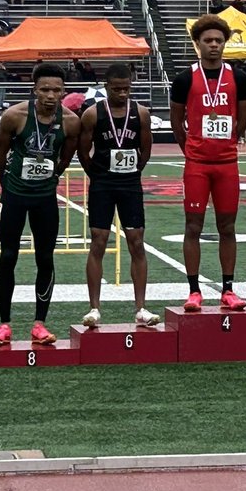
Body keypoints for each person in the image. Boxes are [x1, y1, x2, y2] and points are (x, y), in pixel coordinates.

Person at [0, 63, 82, 347]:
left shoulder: (70, 121)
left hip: (45, 198)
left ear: (64, 92)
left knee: (45, 258)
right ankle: (4, 323)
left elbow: (66, 157)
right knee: (8, 256)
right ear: (34, 90)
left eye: (57, 90)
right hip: (14, 195)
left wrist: (52, 178)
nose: (51, 95)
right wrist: (7, 186)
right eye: (45, 90)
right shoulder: (14, 116)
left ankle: (40, 323)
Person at [170, 14, 246, 312]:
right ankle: (194, 291)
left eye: (219, 40)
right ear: (198, 44)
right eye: (208, 41)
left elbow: (243, 118)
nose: (214, 45)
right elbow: (176, 121)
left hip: (227, 164)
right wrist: (190, 149)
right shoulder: (184, 79)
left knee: (227, 227)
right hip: (197, 165)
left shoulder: (239, 78)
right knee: (193, 226)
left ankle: (228, 290)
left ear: (225, 43)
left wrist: (229, 141)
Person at [78, 63, 160, 328]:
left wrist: (132, 172)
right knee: (98, 240)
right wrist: (99, 174)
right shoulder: (92, 114)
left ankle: (141, 308)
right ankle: (94, 308)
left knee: (136, 241)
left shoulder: (141, 113)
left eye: (127, 88)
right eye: (117, 89)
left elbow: (145, 150)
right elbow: (83, 151)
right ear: (106, 87)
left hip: (130, 185)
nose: (122, 94)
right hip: (102, 183)